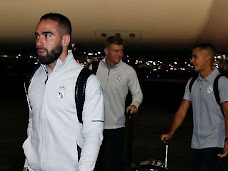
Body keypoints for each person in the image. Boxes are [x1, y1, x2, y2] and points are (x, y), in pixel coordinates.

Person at [22, 13, 104, 171]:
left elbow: (93, 135)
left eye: (47, 36)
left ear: (65, 40)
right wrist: (28, 163)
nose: (39, 42)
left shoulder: (86, 81)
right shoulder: (33, 79)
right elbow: (33, 125)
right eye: (37, 36)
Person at [160, 43, 228, 171]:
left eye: (195, 57)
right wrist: (171, 132)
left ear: (207, 57)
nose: (192, 61)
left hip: (215, 141)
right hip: (197, 142)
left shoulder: (221, 82)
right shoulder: (192, 83)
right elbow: (183, 110)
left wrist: (227, 140)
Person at [92, 36, 143, 171]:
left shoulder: (128, 71)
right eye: (115, 51)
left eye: (121, 51)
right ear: (106, 51)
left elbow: (138, 93)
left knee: (116, 164)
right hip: (95, 124)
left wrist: (134, 104)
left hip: (117, 125)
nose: (119, 54)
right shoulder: (94, 67)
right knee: (95, 163)